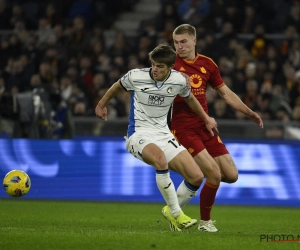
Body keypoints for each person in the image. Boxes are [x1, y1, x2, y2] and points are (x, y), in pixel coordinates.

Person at [95, 43, 219, 232]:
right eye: (153, 64)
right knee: (160, 160)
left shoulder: (178, 81)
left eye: (160, 66)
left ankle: (171, 211)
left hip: (163, 133)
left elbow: (190, 98)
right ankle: (177, 214)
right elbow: (117, 86)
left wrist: (206, 118)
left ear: (171, 68)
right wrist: (101, 104)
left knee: (196, 176)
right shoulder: (136, 76)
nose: (155, 69)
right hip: (139, 133)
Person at [169, 24, 264, 232]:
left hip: (206, 127)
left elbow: (226, 93)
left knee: (231, 175)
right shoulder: (170, 65)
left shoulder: (207, 64)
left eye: (183, 41)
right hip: (183, 128)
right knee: (213, 174)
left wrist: (249, 112)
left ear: (194, 41)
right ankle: (204, 222)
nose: (179, 46)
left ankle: (182, 192)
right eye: (176, 42)